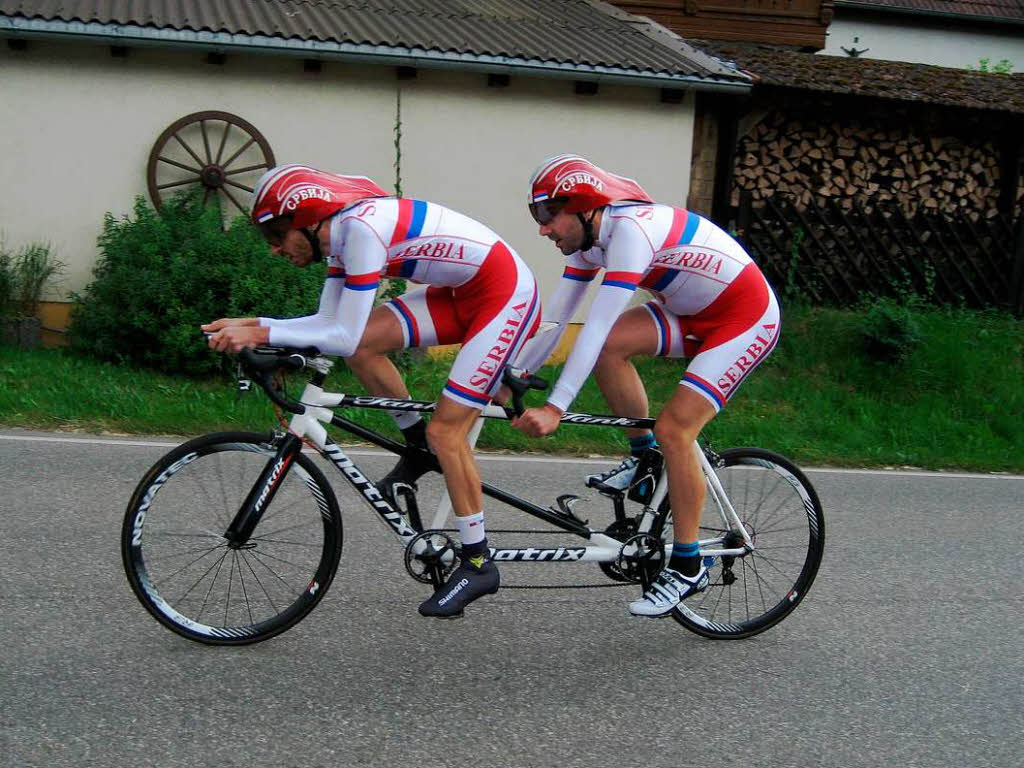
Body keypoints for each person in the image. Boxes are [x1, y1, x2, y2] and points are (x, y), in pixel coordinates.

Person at [203, 164, 541, 618]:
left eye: (279, 234)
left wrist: (262, 334)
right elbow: (335, 327)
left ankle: (479, 562)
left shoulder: (360, 230)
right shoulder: (339, 239)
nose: (275, 249)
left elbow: (337, 334)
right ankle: (417, 442)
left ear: (308, 218)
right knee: (365, 348)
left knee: (450, 432)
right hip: (460, 293)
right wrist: (257, 327)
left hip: (503, 293)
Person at [512, 155, 780, 617]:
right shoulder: (587, 243)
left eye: (547, 215)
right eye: (537, 216)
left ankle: (689, 563)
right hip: (690, 313)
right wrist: (510, 373)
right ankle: (644, 458)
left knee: (678, 429)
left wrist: (556, 406)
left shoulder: (631, 233)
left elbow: (592, 325)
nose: (543, 229)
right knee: (610, 350)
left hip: (743, 318)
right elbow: (557, 322)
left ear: (584, 208)